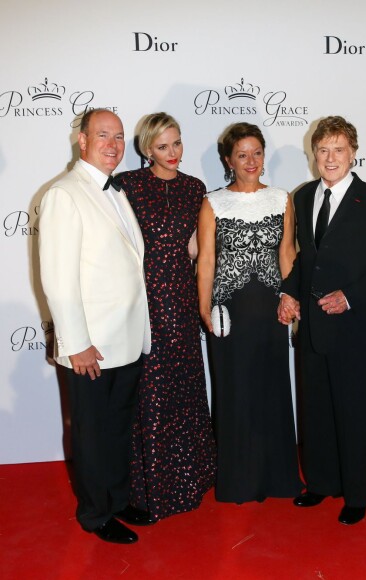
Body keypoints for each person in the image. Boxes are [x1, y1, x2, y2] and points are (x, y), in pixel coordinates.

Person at [278, 116, 366, 525]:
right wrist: (288, 292)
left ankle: (356, 494)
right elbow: (304, 260)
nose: (330, 158)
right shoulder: (302, 197)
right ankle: (320, 484)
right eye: (322, 150)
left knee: (351, 412)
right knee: (314, 410)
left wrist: (350, 297)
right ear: (313, 154)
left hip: (350, 327)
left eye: (338, 149)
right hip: (312, 327)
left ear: (353, 152)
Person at [39, 109, 153, 544]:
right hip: (91, 346)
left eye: (119, 136)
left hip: (125, 339)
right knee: (91, 432)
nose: (113, 144)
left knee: (118, 427)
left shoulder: (115, 191)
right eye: (102, 135)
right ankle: (95, 513)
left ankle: (118, 499)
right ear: (82, 141)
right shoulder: (65, 194)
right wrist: (77, 343)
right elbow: (58, 279)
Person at [115, 113, 217, 520]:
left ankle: (188, 480)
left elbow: (196, 249)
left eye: (177, 143)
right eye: (162, 146)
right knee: (149, 393)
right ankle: (147, 488)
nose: (172, 153)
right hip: (144, 300)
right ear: (146, 149)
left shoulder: (195, 188)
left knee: (184, 386)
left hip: (181, 298)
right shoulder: (129, 185)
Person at [197, 122, 303, 503]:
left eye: (257, 152)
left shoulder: (282, 198)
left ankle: (277, 477)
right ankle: (238, 480)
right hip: (229, 311)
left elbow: (287, 254)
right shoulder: (213, 202)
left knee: (272, 390)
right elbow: (207, 260)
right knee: (234, 392)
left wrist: (291, 298)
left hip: (271, 310)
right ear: (228, 160)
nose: (251, 161)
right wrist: (204, 308)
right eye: (242, 155)